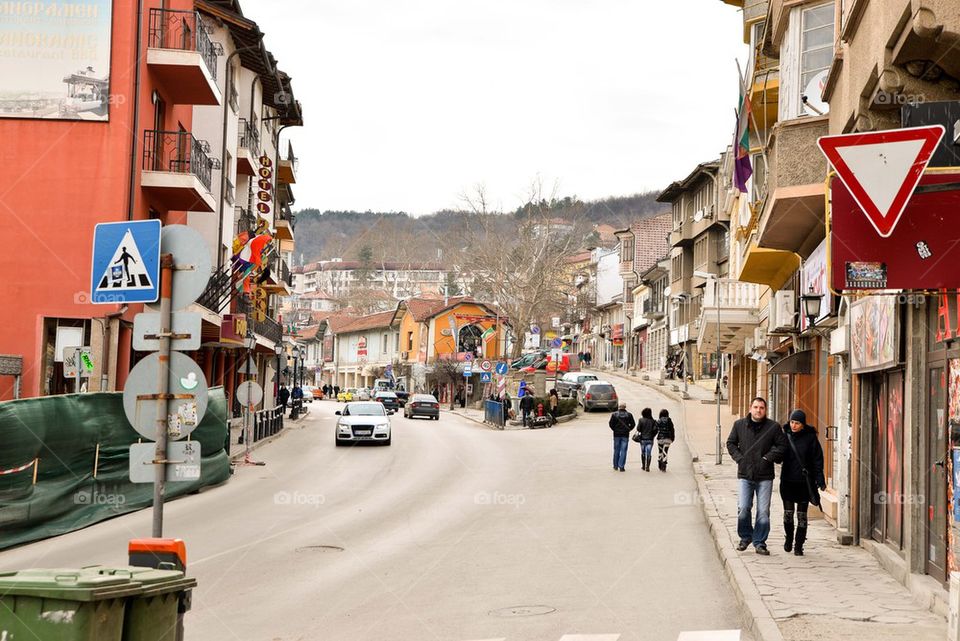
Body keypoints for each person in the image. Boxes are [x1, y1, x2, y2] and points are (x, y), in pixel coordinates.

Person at [726, 397, 787, 555]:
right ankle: (745, 537)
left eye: (761, 407)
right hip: (745, 475)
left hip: (765, 476)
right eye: (755, 407)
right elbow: (731, 443)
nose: (758, 410)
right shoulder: (739, 425)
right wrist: (740, 459)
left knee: (763, 511)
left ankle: (760, 542)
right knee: (744, 508)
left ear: (765, 410)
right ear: (750, 408)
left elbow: (782, 447)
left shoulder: (773, 427)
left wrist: (767, 458)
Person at [780, 409, 825, 556]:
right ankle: (789, 538)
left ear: (803, 425)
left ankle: (799, 545)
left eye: (797, 423)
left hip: (804, 483)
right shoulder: (784, 436)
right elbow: (777, 454)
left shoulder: (810, 438)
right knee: (788, 514)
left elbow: (817, 460)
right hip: (787, 481)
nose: (793, 425)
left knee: (801, 516)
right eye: (792, 422)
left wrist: (820, 479)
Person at [608, 403, 635, 472]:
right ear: (625, 407)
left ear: (619, 407)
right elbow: (633, 424)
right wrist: (629, 429)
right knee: (623, 451)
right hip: (625, 435)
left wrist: (615, 429)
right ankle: (621, 466)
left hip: (616, 435)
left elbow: (611, 424)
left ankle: (615, 466)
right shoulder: (629, 415)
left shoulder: (614, 414)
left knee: (616, 450)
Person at [635, 408, 658, 472]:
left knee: (643, 453)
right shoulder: (653, 421)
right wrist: (652, 436)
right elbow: (656, 430)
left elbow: (638, 429)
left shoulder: (641, 420)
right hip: (650, 439)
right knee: (649, 453)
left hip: (642, 439)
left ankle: (643, 466)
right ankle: (648, 467)